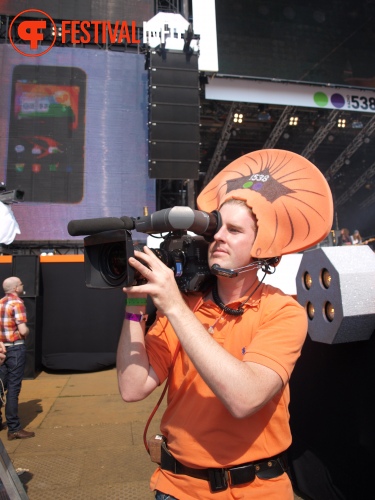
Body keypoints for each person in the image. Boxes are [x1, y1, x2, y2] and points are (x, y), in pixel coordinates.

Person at [117, 149, 333, 499]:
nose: (218, 237)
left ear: (262, 247)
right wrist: (133, 309)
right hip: (175, 488)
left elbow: (245, 398)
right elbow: (132, 387)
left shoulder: (283, 310)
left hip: (254, 490)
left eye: (234, 230)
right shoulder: (186, 307)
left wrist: (173, 307)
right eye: (217, 227)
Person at [0, 277, 35, 439]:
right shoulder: (17, 303)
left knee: (1, 385)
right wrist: (27, 332)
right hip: (15, 348)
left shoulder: (0, 302)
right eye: (21, 284)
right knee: (13, 388)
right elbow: (22, 329)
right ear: (15, 288)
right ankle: (14, 428)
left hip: (2, 349)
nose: (22, 285)